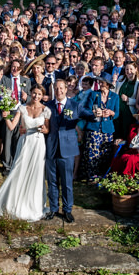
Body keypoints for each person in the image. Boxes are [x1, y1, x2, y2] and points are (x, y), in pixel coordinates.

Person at [0, 86, 51, 221]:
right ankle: (13, 202)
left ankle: (33, 204)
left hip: (38, 143)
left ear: (42, 95)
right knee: (19, 170)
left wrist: (43, 129)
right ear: (30, 93)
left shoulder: (46, 110)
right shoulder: (22, 108)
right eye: (34, 93)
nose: (36, 96)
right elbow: (12, 126)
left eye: (39, 94)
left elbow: (47, 130)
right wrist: (6, 117)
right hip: (25, 142)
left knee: (36, 173)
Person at [45, 78, 81, 222]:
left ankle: (67, 210)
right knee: (52, 181)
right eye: (56, 88)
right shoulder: (48, 106)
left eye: (61, 88)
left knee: (67, 182)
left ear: (66, 89)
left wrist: (97, 114)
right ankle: (53, 208)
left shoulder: (75, 105)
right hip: (52, 148)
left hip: (67, 148)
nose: (58, 91)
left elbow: (86, 116)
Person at [79, 74, 119, 181]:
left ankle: (103, 175)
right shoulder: (93, 94)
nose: (100, 84)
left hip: (107, 129)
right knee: (92, 152)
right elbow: (86, 110)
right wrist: (94, 112)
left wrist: (111, 113)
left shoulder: (115, 96)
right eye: (99, 82)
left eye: (102, 82)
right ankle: (91, 176)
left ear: (108, 84)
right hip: (94, 127)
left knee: (105, 153)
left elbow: (117, 113)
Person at [110, 109, 139, 176]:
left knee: (131, 159)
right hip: (131, 151)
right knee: (120, 158)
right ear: (138, 118)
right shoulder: (132, 127)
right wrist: (120, 140)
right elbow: (128, 138)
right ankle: (115, 176)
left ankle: (127, 177)